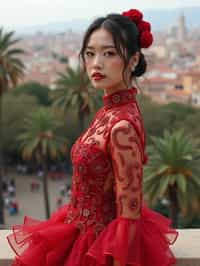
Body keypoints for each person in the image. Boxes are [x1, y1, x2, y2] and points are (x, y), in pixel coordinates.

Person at [7, 8, 178, 266]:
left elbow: (130, 212)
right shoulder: (109, 112)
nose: (96, 63)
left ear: (133, 60)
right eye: (90, 53)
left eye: (109, 53)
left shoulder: (121, 125)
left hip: (97, 248)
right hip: (80, 234)